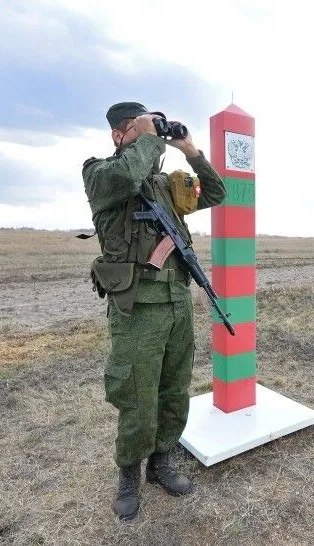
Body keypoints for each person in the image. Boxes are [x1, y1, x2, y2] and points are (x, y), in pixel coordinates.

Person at [82, 102, 227, 521]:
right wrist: (147, 135)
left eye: (150, 130)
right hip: (136, 307)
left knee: (174, 388)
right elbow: (128, 174)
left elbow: (216, 193)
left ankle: (161, 462)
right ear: (118, 134)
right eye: (138, 128)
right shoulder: (100, 175)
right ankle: (129, 474)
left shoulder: (166, 185)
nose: (150, 135)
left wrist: (189, 149)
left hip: (177, 302)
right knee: (137, 395)